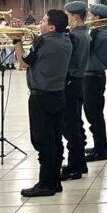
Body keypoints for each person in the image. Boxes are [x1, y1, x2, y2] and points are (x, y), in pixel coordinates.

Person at [14, 10, 72, 197]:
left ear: (52, 27)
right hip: (58, 94)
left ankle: (46, 184)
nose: (40, 23)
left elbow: (24, 63)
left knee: (43, 141)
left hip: (41, 96)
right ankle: (55, 181)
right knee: (56, 139)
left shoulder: (43, 41)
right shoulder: (66, 40)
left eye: (44, 21)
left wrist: (16, 41)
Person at [60, 1, 91, 181]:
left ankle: (74, 166)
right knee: (75, 123)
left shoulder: (74, 36)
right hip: (78, 81)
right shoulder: (84, 33)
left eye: (68, 16)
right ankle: (80, 163)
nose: (67, 19)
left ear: (75, 17)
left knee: (70, 125)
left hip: (71, 81)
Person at [83, 4, 107, 162]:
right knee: (94, 114)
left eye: (90, 15)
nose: (88, 18)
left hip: (93, 77)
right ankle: (101, 146)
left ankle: (100, 150)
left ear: (97, 18)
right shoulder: (97, 32)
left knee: (93, 114)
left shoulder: (99, 34)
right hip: (92, 76)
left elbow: (85, 48)